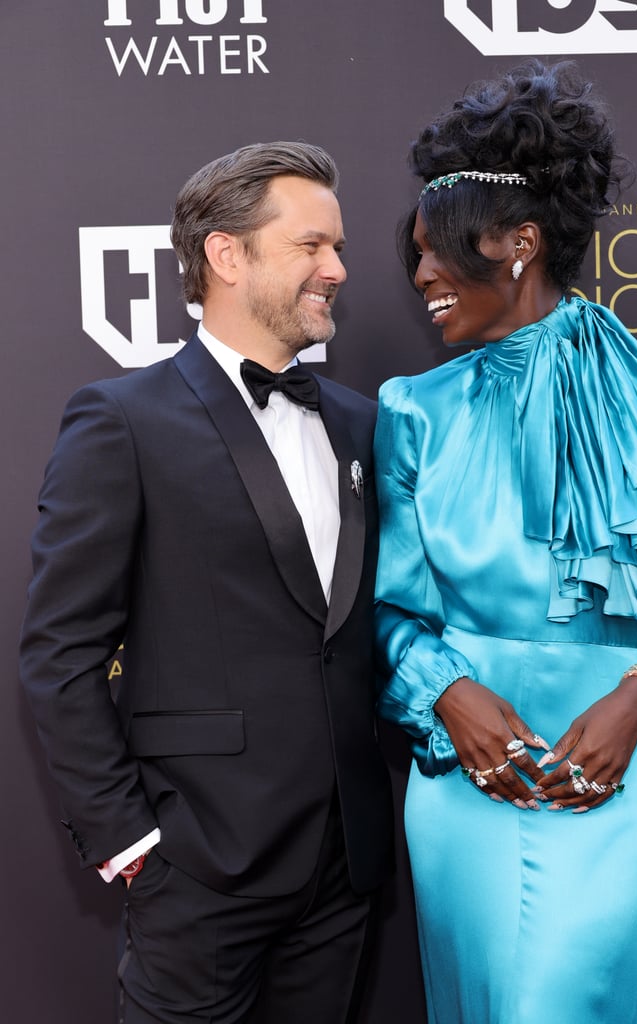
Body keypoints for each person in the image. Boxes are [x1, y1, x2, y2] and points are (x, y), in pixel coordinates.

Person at [374, 61, 637, 1022]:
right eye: (414, 257)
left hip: (620, 749)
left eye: (437, 253)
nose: (421, 278)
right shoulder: (413, 411)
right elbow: (395, 610)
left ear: (519, 243)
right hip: (467, 775)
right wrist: (449, 695)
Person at [20, 141, 393, 1024]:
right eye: (311, 246)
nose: (338, 269)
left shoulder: (359, 422)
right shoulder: (121, 420)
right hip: (199, 866)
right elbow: (61, 653)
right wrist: (130, 841)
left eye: (337, 247)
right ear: (228, 255)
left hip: (345, 867)